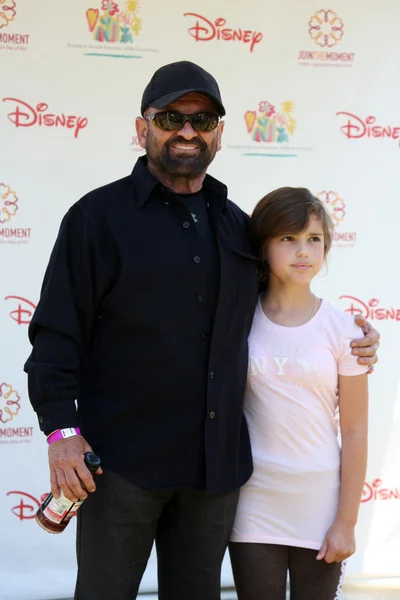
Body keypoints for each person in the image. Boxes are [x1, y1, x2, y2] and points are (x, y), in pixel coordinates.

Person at [24, 62, 379, 600]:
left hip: (214, 474)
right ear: (143, 129)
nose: (188, 131)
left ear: (219, 133)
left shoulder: (240, 227)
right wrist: (60, 434)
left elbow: (284, 303)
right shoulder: (96, 219)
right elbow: (55, 336)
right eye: (172, 117)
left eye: (203, 119)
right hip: (120, 467)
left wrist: (355, 334)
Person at [229, 187, 369, 600]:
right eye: (288, 238)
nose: (303, 251)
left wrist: (346, 522)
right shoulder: (237, 321)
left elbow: (357, 431)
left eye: (314, 239)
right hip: (253, 500)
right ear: (264, 245)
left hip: (320, 505)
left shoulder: (345, 330)